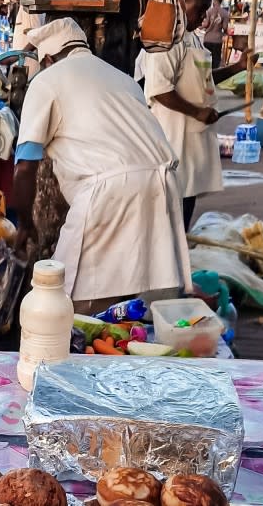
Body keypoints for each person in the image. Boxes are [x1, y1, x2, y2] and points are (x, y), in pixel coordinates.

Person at [13, 18, 191, 313]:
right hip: (162, 184)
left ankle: (76, 351)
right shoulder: (120, 77)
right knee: (147, 299)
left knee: (67, 302)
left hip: (109, 191)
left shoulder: (47, 80)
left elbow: (24, 169)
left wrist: (25, 225)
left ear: (47, 58)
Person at [137, 0, 248, 230]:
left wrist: (237, 67)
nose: (204, 18)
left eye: (207, 10)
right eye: (200, 10)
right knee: (169, 206)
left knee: (186, 200)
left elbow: (205, 77)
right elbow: (159, 89)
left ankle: (180, 254)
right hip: (170, 136)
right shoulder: (165, 40)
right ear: (180, 4)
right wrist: (197, 112)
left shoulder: (193, 39)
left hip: (190, 139)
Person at [201, 0, 228, 68]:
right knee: (216, 60)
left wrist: (200, 26)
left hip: (208, 38)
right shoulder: (225, 13)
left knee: (206, 59)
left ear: (214, 1)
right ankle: (214, 76)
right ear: (221, 2)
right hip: (217, 39)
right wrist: (225, 32)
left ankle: (206, 76)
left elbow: (206, 24)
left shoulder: (209, 11)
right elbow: (225, 27)